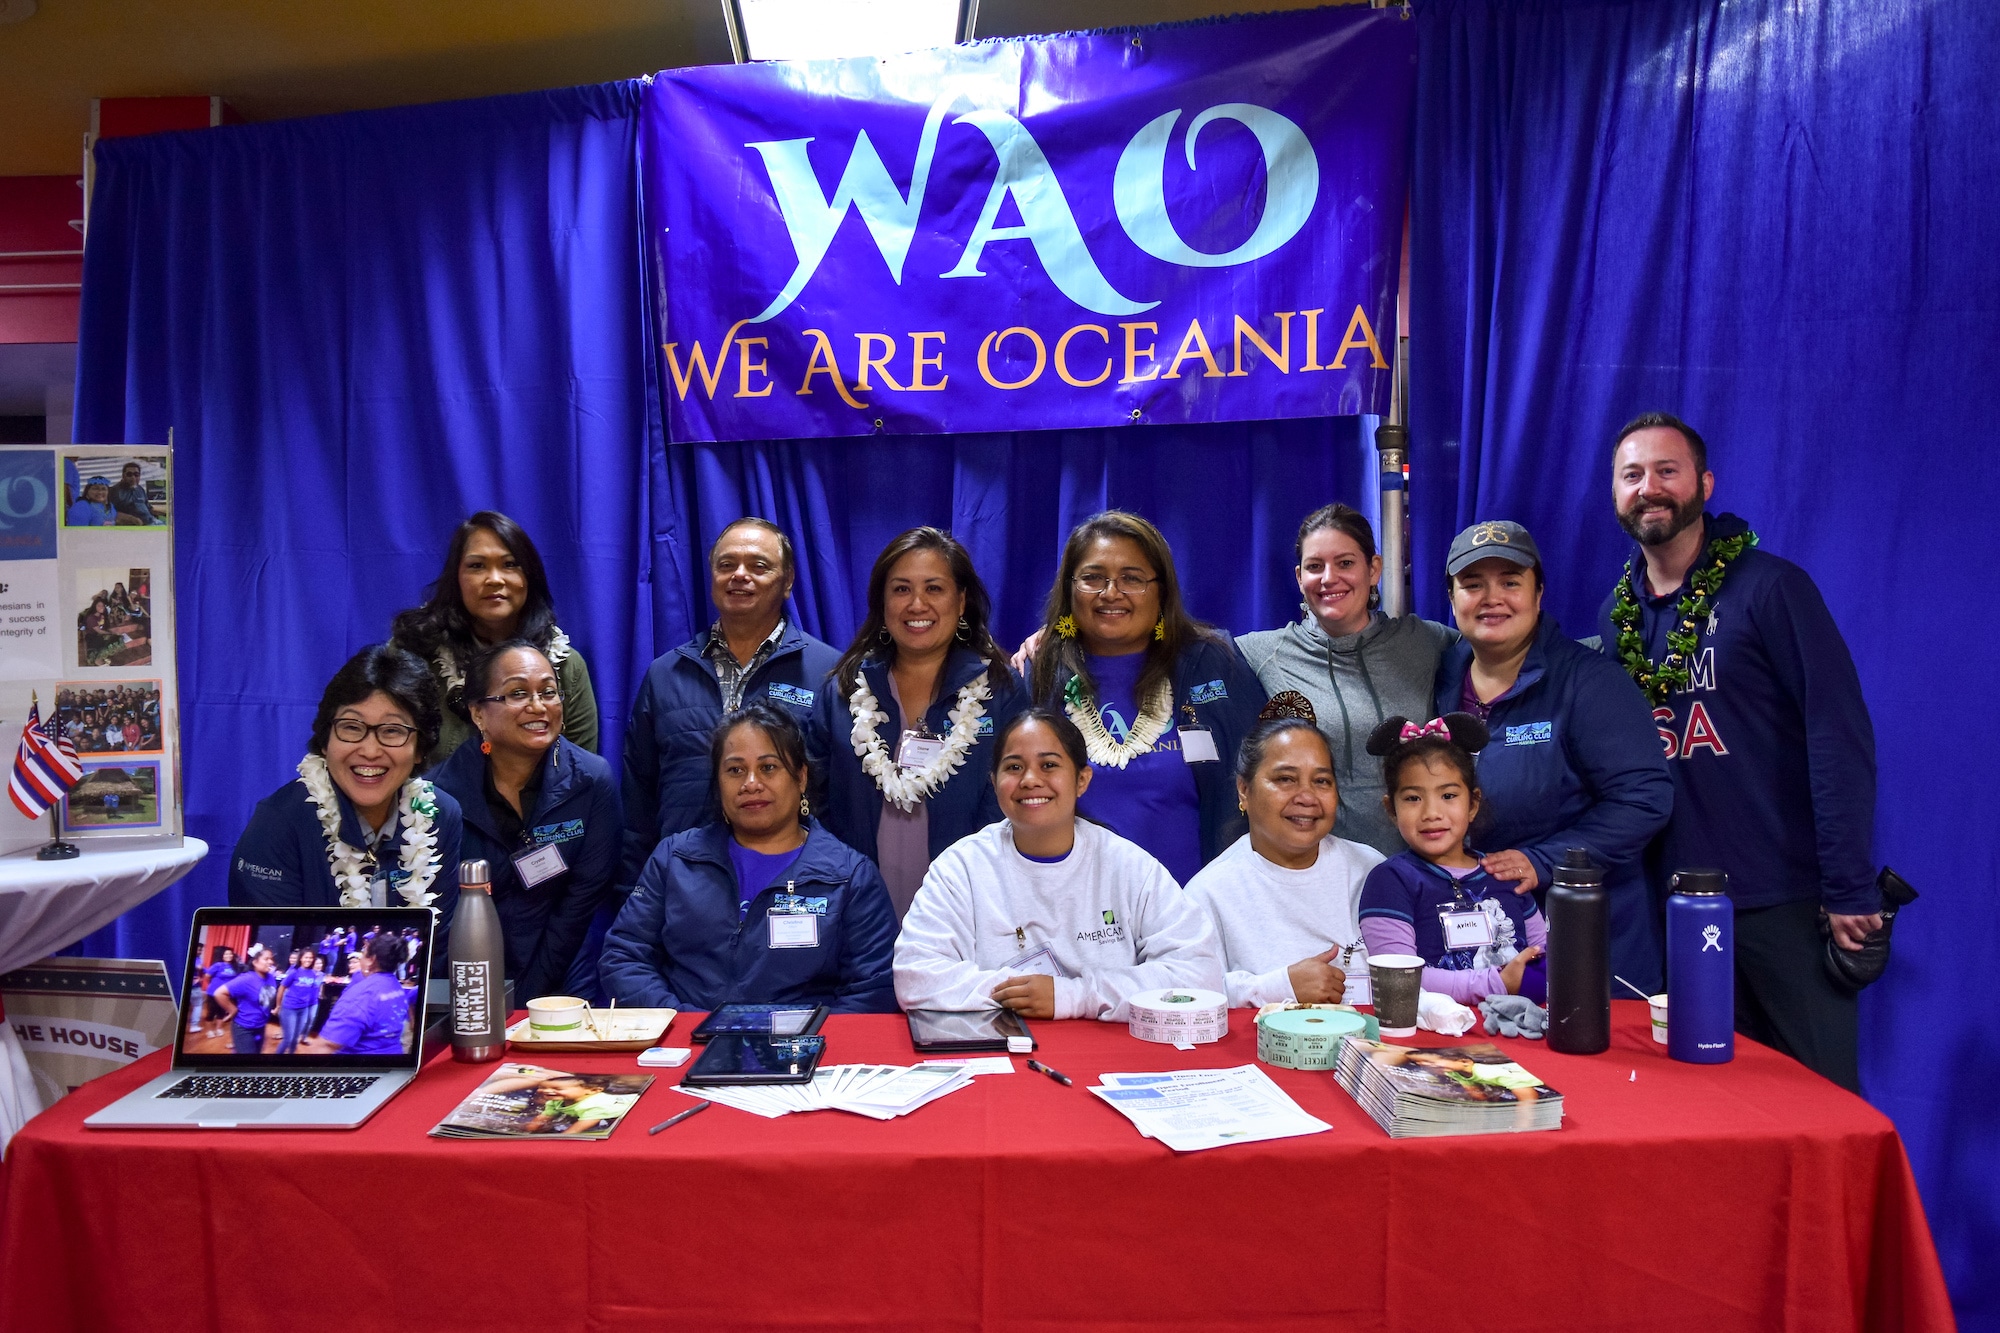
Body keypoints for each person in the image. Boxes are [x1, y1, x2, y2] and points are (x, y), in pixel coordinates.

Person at [1597, 413, 1879, 1091]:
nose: (1649, 487)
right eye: (1632, 475)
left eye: (1667, 470)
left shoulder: (1771, 588)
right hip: (1672, 906)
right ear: (1615, 493)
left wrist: (1848, 885)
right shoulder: (1616, 616)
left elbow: (1837, 735)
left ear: (1704, 483)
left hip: (1779, 897)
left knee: (1818, 1101)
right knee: (1709, 1104)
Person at [1435, 520, 1673, 991]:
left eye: (1510, 582)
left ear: (1539, 593)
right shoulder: (1442, 679)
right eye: (1473, 584)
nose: (1491, 598)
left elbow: (1645, 799)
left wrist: (1542, 860)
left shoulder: (1590, 683)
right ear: (1452, 597)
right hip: (1483, 946)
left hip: (1590, 943)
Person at [894, 708, 1224, 1020]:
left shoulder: (1129, 867)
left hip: (1108, 1047)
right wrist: (1023, 995)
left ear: (1082, 780)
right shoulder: (960, 869)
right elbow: (915, 976)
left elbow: (1200, 974)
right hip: (1000, 1046)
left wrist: (1073, 996)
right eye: (1014, 767)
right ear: (994, 782)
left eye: (1049, 765)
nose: (1030, 780)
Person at [600, 702, 897, 1012]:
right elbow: (624, 957)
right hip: (684, 1037)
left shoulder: (851, 876)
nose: (751, 783)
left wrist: (802, 1036)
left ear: (801, 777)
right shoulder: (674, 860)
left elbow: (872, 990)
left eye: (768, 767)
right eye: (735, 770)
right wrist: (680, 1022)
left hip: (804, 1041)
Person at [1024, 511, 1266, 885]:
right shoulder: (1040, 674)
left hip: (1195, 906)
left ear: (1161, 591)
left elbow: (1262, 785)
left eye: (1132, 579)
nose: (1111, 593)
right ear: (1070, 589)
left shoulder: (1213, 663)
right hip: (1071, 907)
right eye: (1092, 578)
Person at [810, 528, 1029, 918]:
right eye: (901, 589)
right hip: (856, 910)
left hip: (970, 907)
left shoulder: (1001, 690)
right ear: (882, 602)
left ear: (961, 601)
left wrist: (973, 885)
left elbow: (1013, 799)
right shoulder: (843, 690)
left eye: (934, 589)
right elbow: (814, 798)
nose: (916, 604)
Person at [620, 518, 839, 884]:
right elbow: (637, 800)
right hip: (684, 884)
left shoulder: (828, 672)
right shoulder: (665, 674)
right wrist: (634, 892)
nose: (739, 575)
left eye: (758, 566)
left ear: (787, 581)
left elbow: (841, 799)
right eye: (727, 565)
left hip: (793, 886)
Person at [1238, 503, 1456, 856]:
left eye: (1345, 563)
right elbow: (1191, 654)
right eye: (1315, 566)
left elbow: (1501, 654)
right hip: (1321, 867)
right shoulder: (1264, 653)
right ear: (1299, 578)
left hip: (1419, 864)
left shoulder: (1424, 641)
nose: (1328, 578)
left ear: (1374, 569)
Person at [228, 645, 465, 947]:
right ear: (325, 740)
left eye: (392, 731)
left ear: (421, 747)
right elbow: (274, 951)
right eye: (351, 727)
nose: (370, 750)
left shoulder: (439, 815)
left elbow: (439, 948)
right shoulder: (277, 824)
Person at [430, 639, 622, 1002]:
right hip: (468, 977)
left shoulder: (591, 781)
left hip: (563, 974)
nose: (538, 706)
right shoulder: (440, 795)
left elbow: (580, 902)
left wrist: (527, 996)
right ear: (478, 713)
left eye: (548, 692)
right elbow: (442, 915)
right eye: (517, 693)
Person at [1184, 698, 1384, 1009]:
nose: (1306, 797)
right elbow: (1186, 994)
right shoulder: (1208, 893)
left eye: (1321, 781)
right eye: (1285, 779)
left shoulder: (1372, 870)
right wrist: (1278, 986)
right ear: (1244, 790)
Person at [1358, 714, 1547, 1005]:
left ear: (1472, 804)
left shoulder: (1503, 873)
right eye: (1413, 798)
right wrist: (1496, 984)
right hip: (1436, 1028)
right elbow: (1398, 976)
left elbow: (1551, 959)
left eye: (1448, 795)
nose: (1432, 813)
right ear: (1391, 809)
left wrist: (1534, 979)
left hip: (1522, 1024)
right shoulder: (1391, 880)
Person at [391, 511, 598, 765]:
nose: (494, 579)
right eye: (477, 566)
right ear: (456, 578)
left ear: (529, 577)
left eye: (510, 565)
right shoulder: (414, 651)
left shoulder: (565, 666)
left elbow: (580, 772)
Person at [300, 932, 416, 1055]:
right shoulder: (396, 987)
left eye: (363, 955)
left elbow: (326, 1046)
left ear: (372, 959)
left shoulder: (362, 994)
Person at [214, 949, 280, 1055]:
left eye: (271, 959)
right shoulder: (246, 979)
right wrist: (232, 1010)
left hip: (260, 1026)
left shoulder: (271, 978)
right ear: (255, 962)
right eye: (266, 959)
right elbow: (219, 993)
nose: (271, 962)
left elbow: (266, 1000)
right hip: (244, 1028)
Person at [274, 948, 326, 1053]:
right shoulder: (294, 972)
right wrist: (278, 1006)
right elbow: (281, 988)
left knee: (295, 1040)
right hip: (290, 1008)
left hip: (304, 1010)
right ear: (301, 958)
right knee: (288, 1039)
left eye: (311, 958)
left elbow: (311, 990)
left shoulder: (313, 973)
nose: (308, 960)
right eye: (306, 957)